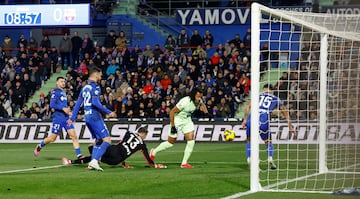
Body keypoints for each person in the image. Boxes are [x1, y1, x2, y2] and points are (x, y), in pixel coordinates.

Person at [150, 87, 209, 168]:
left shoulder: (198, 100)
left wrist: (206, 113)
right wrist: (173, 126)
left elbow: (202, 104)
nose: (199, 98)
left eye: (200, 96)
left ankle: (184, 163)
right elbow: (172, 112)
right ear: (193, 95)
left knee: (191, 140)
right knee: (170, 143)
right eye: (198, 96)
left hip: (187, 121)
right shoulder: (185, 101)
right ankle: (154, 151)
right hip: (177, 120)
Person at [71, 67, 117, 171]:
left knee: (98, 140)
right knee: (107, 140)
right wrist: (109, 112)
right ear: (96, 74)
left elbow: (78, 103)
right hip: (95, 116)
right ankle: (95, 160)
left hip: (87, 117)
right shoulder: (96, 87)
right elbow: (95, 102)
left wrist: (73, 117)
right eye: (100, 75)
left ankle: (91, 164)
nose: (101, 77)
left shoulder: (85, 87)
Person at [241, 84, 296, 170]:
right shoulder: (275, 98)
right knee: (268, 141)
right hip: (264, 118)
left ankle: (249, 158)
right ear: (272, 90)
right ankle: (270, 158)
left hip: (252, 118)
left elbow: (248, 106)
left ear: (264, 89)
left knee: (249, 139)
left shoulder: (258, 96)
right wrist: (290, 125)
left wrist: (245, 120)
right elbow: (284, 110)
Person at [62, 127, 167, 169]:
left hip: (114, 150)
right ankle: (91, 160)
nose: (145, 137)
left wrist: (124, 164)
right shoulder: (142, 145)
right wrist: (156, 165)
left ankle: (71, 162)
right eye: (145, 135)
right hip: (116, 160)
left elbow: (120, 144)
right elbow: (148, 160)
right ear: (143, 134)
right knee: (95, 158)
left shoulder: (129, 133)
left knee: (94, 154)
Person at [34, 77, 83, 158]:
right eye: (61, 81)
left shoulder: (63, 92)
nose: (63, 83)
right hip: (58, 117)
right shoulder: (55, 92)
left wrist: (69, 112)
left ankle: (79, 155)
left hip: (66, 118)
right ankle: (40, 145)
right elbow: (52, 104)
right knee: (53, 138)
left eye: (64, 81)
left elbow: (64, 106)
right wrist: (63, 108)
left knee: (74, 136)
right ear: (57, 83)